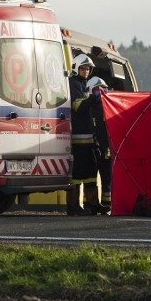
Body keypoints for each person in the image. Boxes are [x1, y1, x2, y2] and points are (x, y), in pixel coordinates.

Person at [67, 54, 110, 215]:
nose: (86, 71)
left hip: (90, 140)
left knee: (91, 174)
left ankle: (93, 204)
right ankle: (73, 206)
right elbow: (78, 106)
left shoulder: (86, 84)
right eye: (83, 68)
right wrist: (93, 98)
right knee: (77, 175)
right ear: (76, 68)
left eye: (88, 69)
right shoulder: (74, 84)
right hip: (78, 140)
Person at [86, 76, 113, 213]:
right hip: (91, 147)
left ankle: (106, 205)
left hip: (105, 147)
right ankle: (91, 204)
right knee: (90, 177)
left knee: (107, 178)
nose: (100, 91)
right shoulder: (88, 106)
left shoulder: (108, 107)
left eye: (103, 89)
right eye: (97, 89)